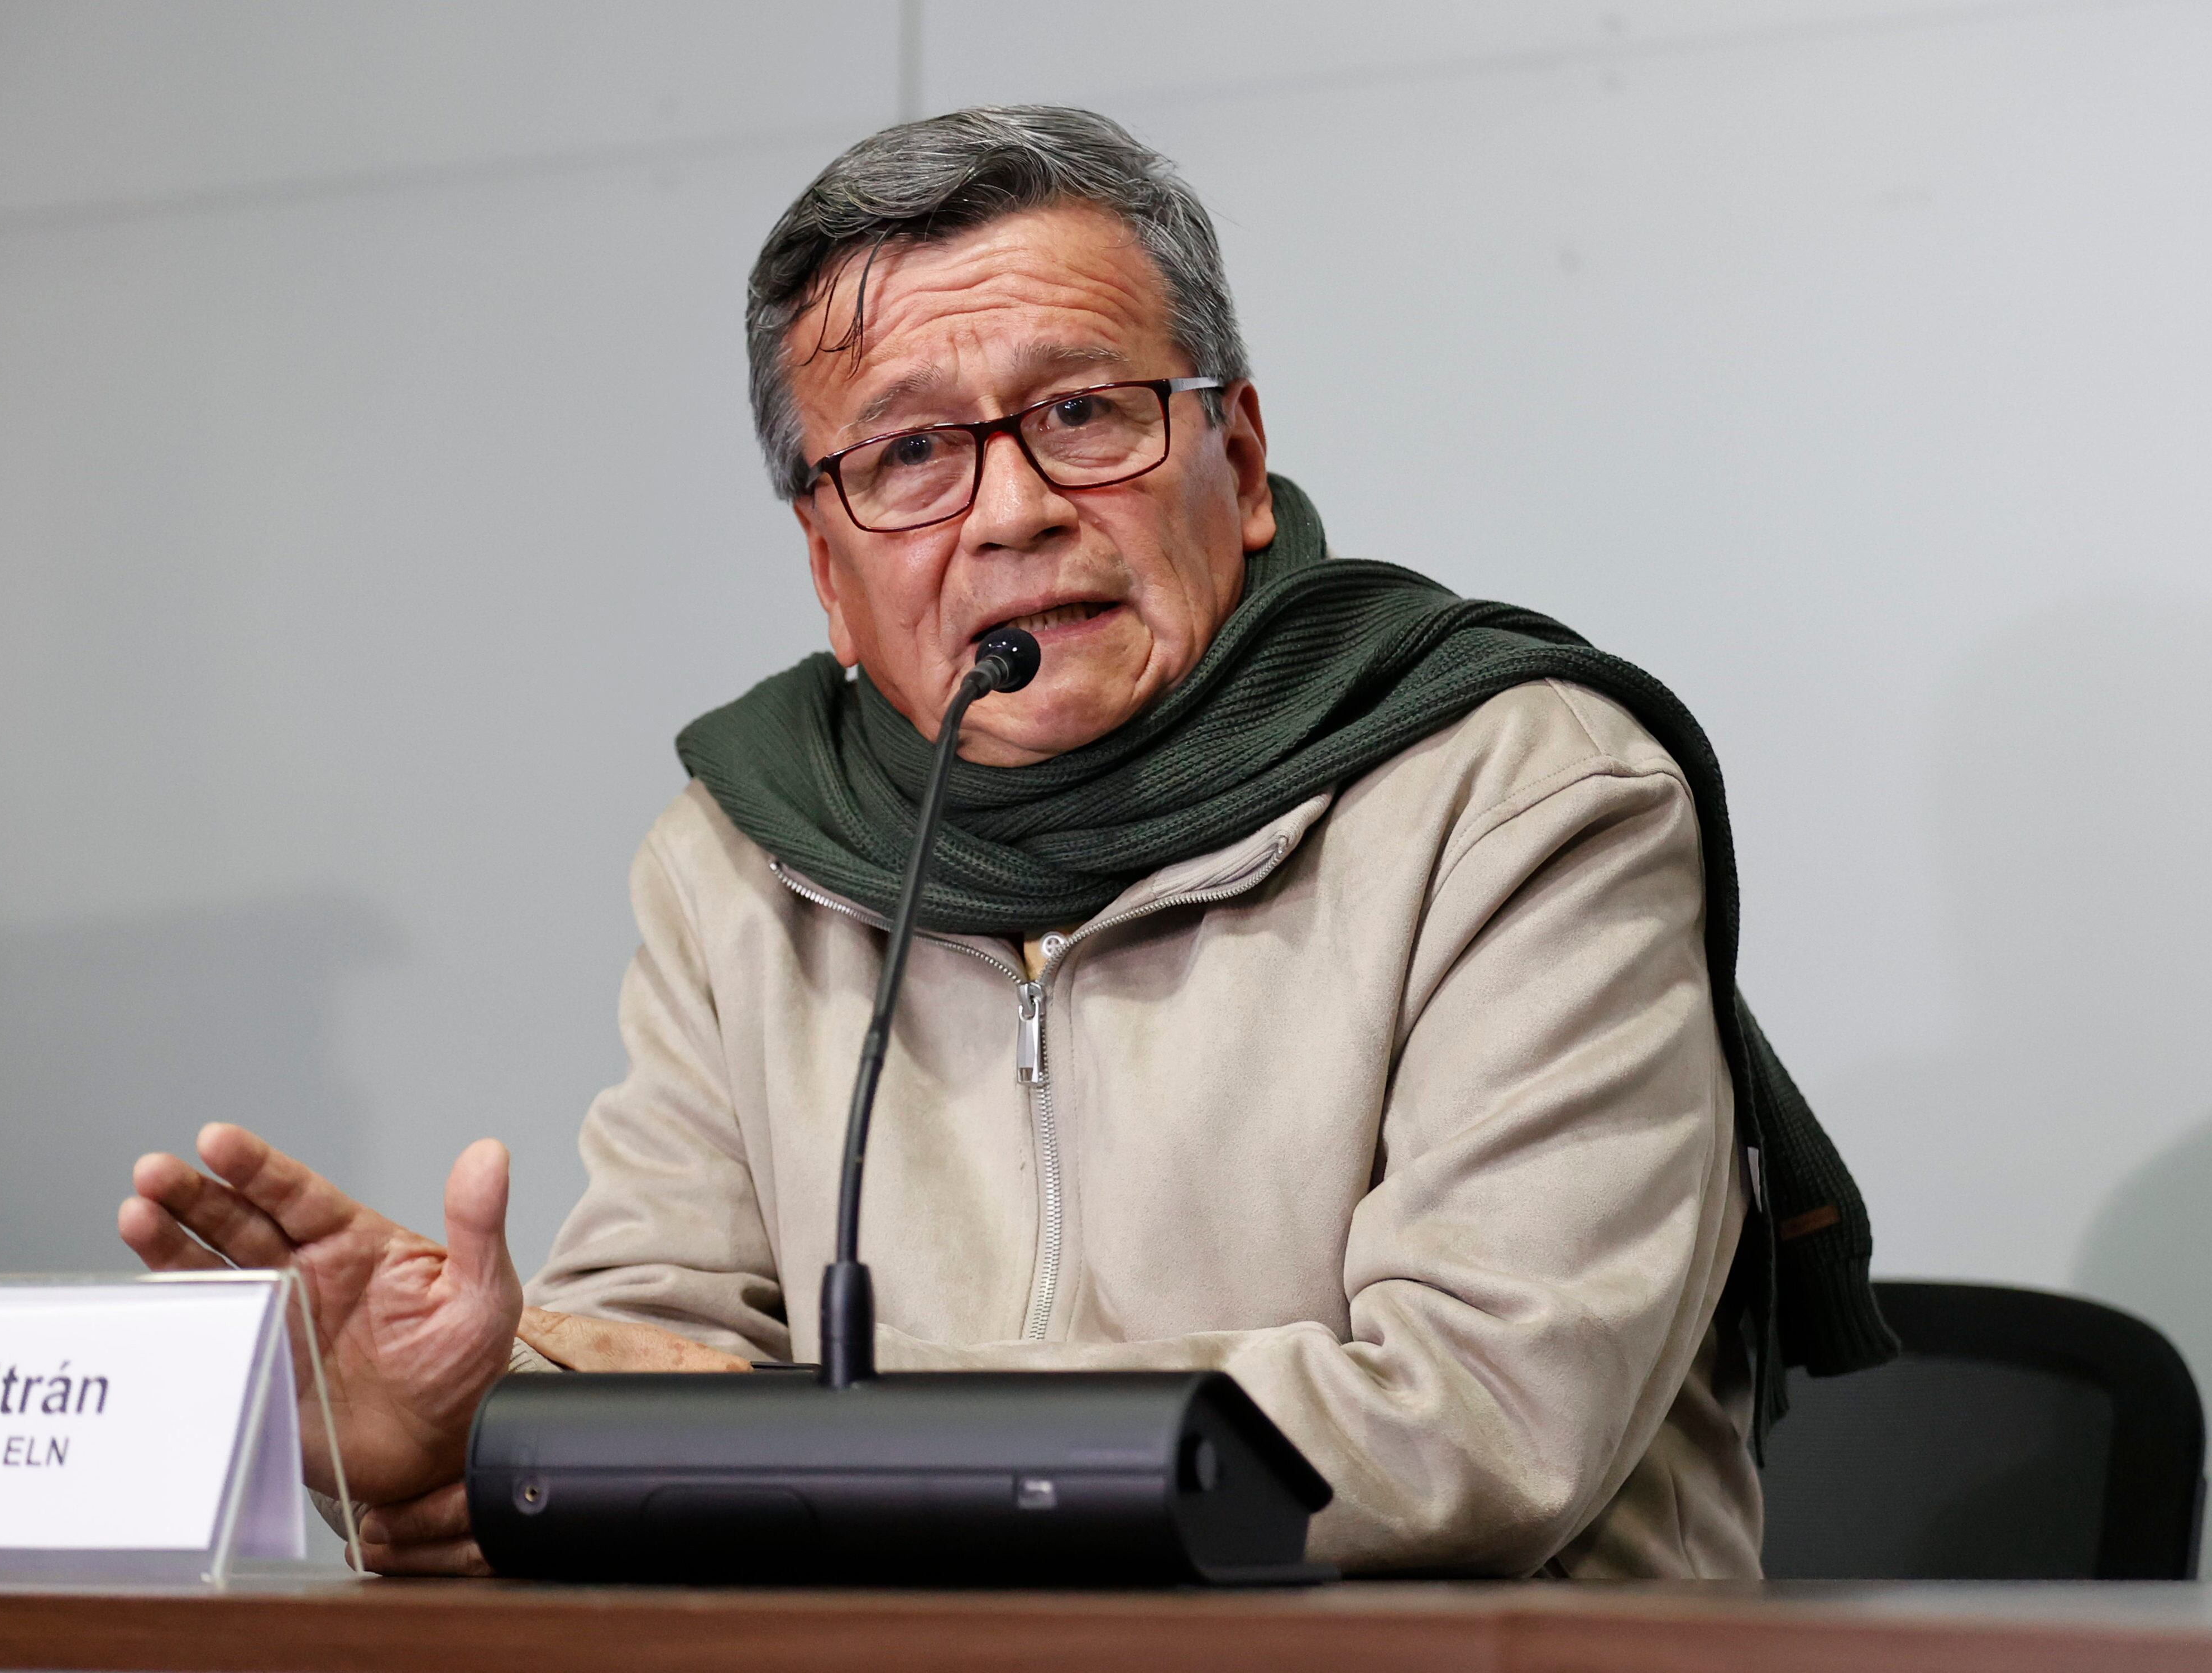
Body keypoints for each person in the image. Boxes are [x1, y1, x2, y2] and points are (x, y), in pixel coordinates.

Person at [119, 107, 1890, 1578]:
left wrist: (803, 1439)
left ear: (1238, 456)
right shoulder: (744, 864)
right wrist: (464, 1426)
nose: (1016, 510)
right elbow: (655, 1371)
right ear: (830, 573)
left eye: (1084, 414)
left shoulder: (1524, 796)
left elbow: (1481, 1423)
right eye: (909, 455)